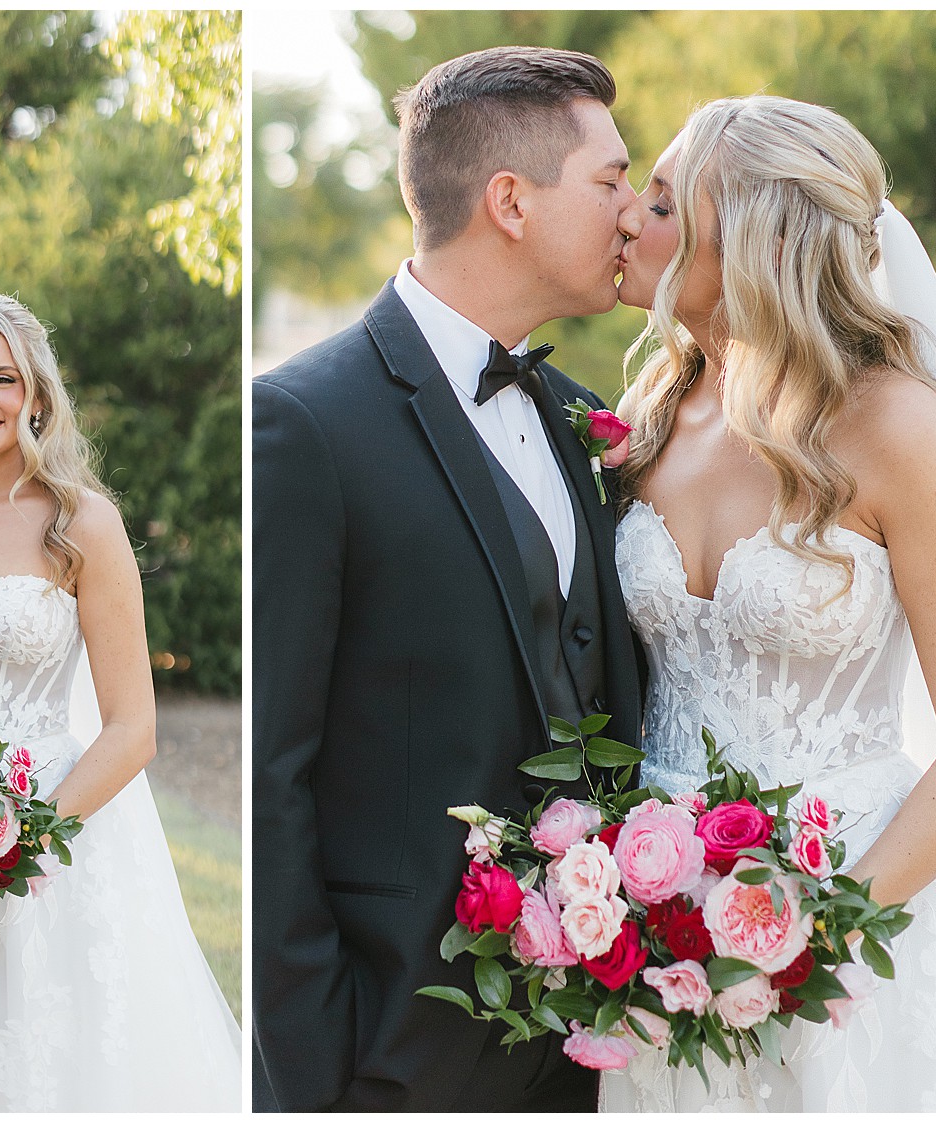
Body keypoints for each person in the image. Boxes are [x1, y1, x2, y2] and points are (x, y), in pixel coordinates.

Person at [253, 47, 645, 1112]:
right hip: (387, 1045)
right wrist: (311, 1062)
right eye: (610, 182)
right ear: (510, 201)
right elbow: (269, 771)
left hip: (578, 1045)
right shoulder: (300, 422)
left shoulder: (582, 416)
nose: (632, 214)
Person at [605, 95, 936, 1110]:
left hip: (849, 918)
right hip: (653, 941)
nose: (628, 221)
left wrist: (819, 936)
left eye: (662, 202)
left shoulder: (893, 424)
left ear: (755, 240)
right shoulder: (644, 417)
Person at [0, 292, 241, 1111]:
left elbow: (132, 729)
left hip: (44, 851)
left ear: (36, 396)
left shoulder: (81, 524)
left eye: (2, 378)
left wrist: (18, 840)